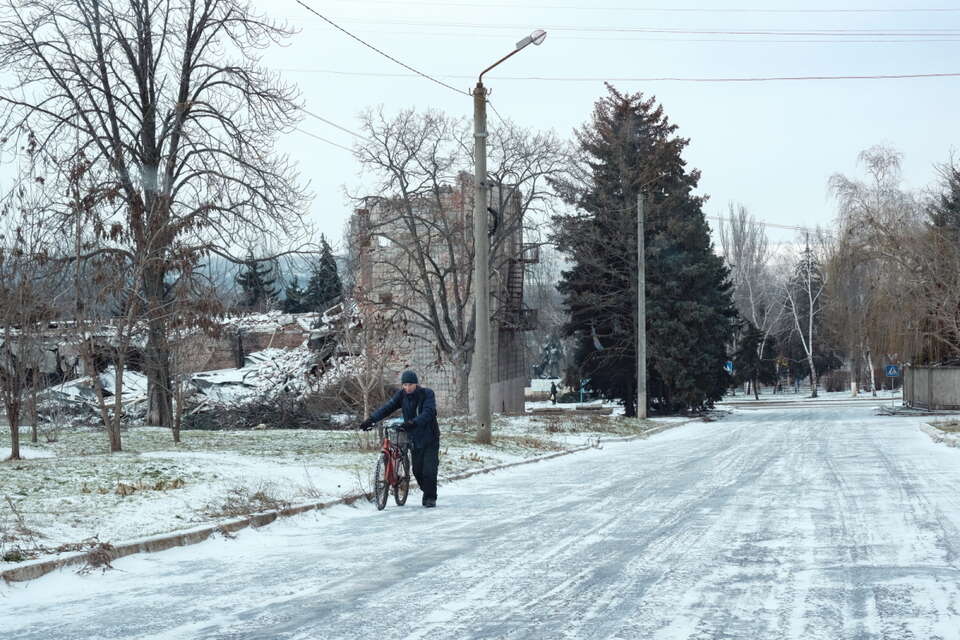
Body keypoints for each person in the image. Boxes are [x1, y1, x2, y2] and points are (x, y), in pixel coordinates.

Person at [360, 370, 440, 508]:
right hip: (415, 438)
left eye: (410, 384)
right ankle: (427, 490)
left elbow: (429, 412)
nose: (407, 388)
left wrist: (413, 422)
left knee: (429, 470)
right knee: (417, 471)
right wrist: (371, 420)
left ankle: (430, 497)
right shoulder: (402, 395)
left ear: (416, 384)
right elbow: (387, 408)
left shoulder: (427, 394)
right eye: (405, 385)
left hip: (430, 437)